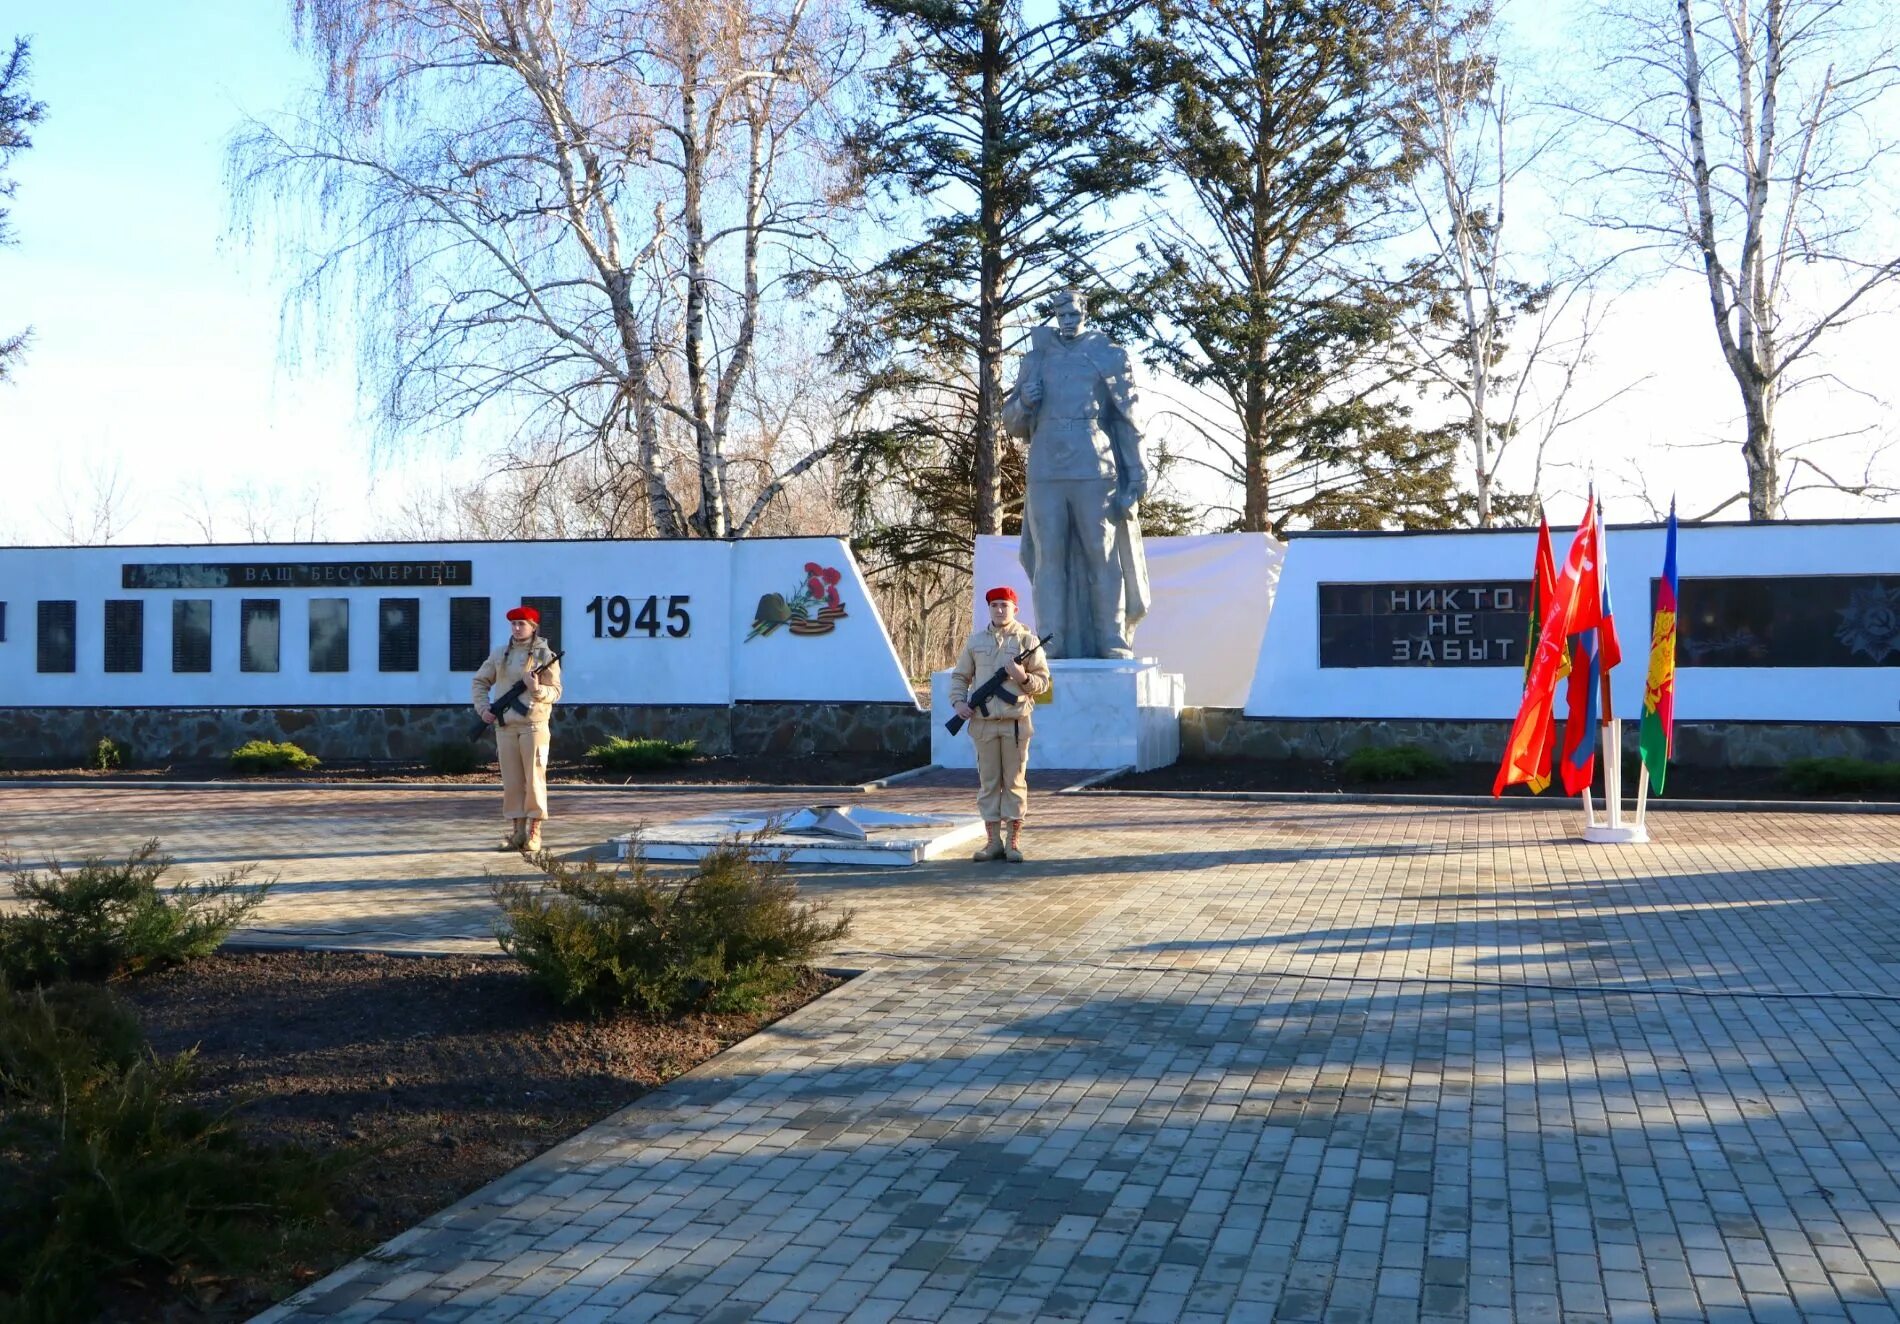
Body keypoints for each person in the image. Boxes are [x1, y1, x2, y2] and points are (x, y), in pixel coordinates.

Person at [1002, 286, 1151, 659]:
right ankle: (1051, 644)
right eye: (1061, 314)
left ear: (1085, 311)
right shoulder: (1036, 360)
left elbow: (1127, 419)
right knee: (1048, 560)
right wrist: (1024, 401)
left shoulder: (1108, 355)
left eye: (1074, 314)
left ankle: (1112, 640)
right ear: (1054, 314)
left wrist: (1135, 475)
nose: (1067, 321)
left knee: (1102, 556)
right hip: (1047, 470)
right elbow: (1013, 425)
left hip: (1094, 467)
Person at [950, 586, 1051, 862]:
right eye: (994, 605)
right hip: (983, 724)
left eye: (1004, 605)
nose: (999, 610)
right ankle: (993, 842)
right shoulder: (975, 642)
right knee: (989, 783)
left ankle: (1013, 843)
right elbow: (960, 677)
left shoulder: (1028, 642)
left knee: (1015, 782)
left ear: (1014, 609)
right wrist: (959, 702)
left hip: (1016, 723)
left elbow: (1043, 683)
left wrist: (1022, 677)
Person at [472, 605, 563, 852]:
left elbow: (555, 692)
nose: (516, 628)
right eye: (513, 624)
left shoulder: (545, 655)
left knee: (534, 780)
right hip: (506, 727)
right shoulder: (500, 654)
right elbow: (480, 681)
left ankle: (534, 832)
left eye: (521, 623)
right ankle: (517, 833)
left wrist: (535, 689)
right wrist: (483, 709)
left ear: (533, 627)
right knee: (512, 782)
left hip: (533, 725)